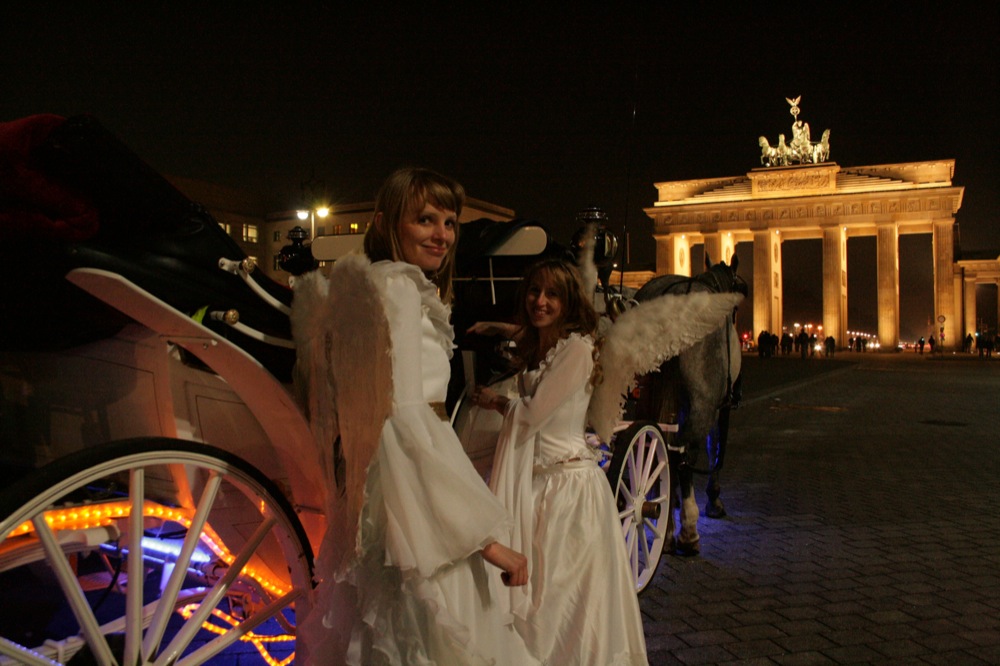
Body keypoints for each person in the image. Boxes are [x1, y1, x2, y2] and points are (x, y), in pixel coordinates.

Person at [292, 167, 532, 665]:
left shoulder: (371, 284)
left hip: (383, 496)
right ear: (387, 223)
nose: (441, 235)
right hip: (415, 506)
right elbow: (403, 421)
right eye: (425, 219)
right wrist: (487, 543)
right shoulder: (397, 288)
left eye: (449, 222)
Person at [469, 258, 648, 665]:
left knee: (563, 601)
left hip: (568, 492)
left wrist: (495, 400)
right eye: (534, 291)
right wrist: (497, 327)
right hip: (539, 486)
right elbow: (526, 333)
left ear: (569, 302)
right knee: (540, 597)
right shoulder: (545, 346)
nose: (541, 301)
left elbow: (531, 414)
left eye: (552, 294)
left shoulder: (578, 350)